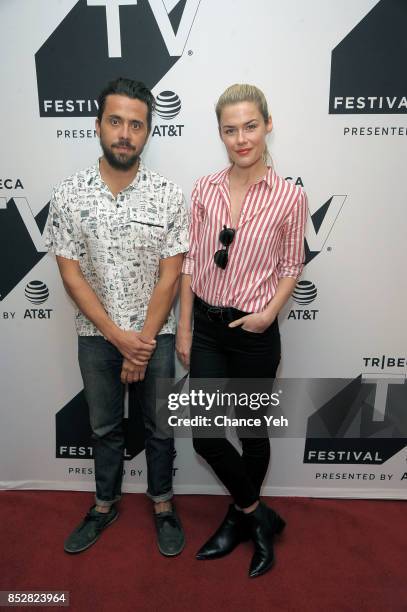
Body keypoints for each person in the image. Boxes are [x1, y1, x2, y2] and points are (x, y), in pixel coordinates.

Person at [46, 77, 188, 557]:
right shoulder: (68, 195)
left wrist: (141, 341)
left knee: (160, 430)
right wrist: (118, 339)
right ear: (98, 125)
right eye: (116, 122)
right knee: (105, 428)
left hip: (158, 336)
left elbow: (170, 276)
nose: (125, 133)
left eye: (136, 124)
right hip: (96, 337)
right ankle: (104, 505)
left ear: (148, 131)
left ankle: (164, 505)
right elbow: (70, 275)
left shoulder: (169, 195)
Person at [176, 83, 307, 577]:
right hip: (207, 328)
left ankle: (236, 518)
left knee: (252, 433)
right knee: (207, 435)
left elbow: (293, 264)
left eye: (250, 126)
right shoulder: (204, 189)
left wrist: (271, 312)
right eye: (230, 130)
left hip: (254, 332)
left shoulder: (291, 196)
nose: (241, 138)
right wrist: (185, 328)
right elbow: (191, 262)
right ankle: (259, 516)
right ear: (220, 134)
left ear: (267, 124)